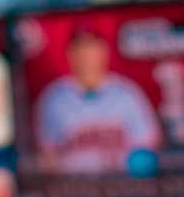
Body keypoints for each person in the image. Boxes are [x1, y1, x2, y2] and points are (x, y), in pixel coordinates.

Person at [30, 26, 161, 173]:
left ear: (104, 52)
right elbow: (47, 157)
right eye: (80, 49)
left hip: (121, 186)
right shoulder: (53, 98)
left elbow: (146, 148)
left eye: (92, 48)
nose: (87, 56)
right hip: (74, 188)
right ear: (70, 54)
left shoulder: (127, 93)